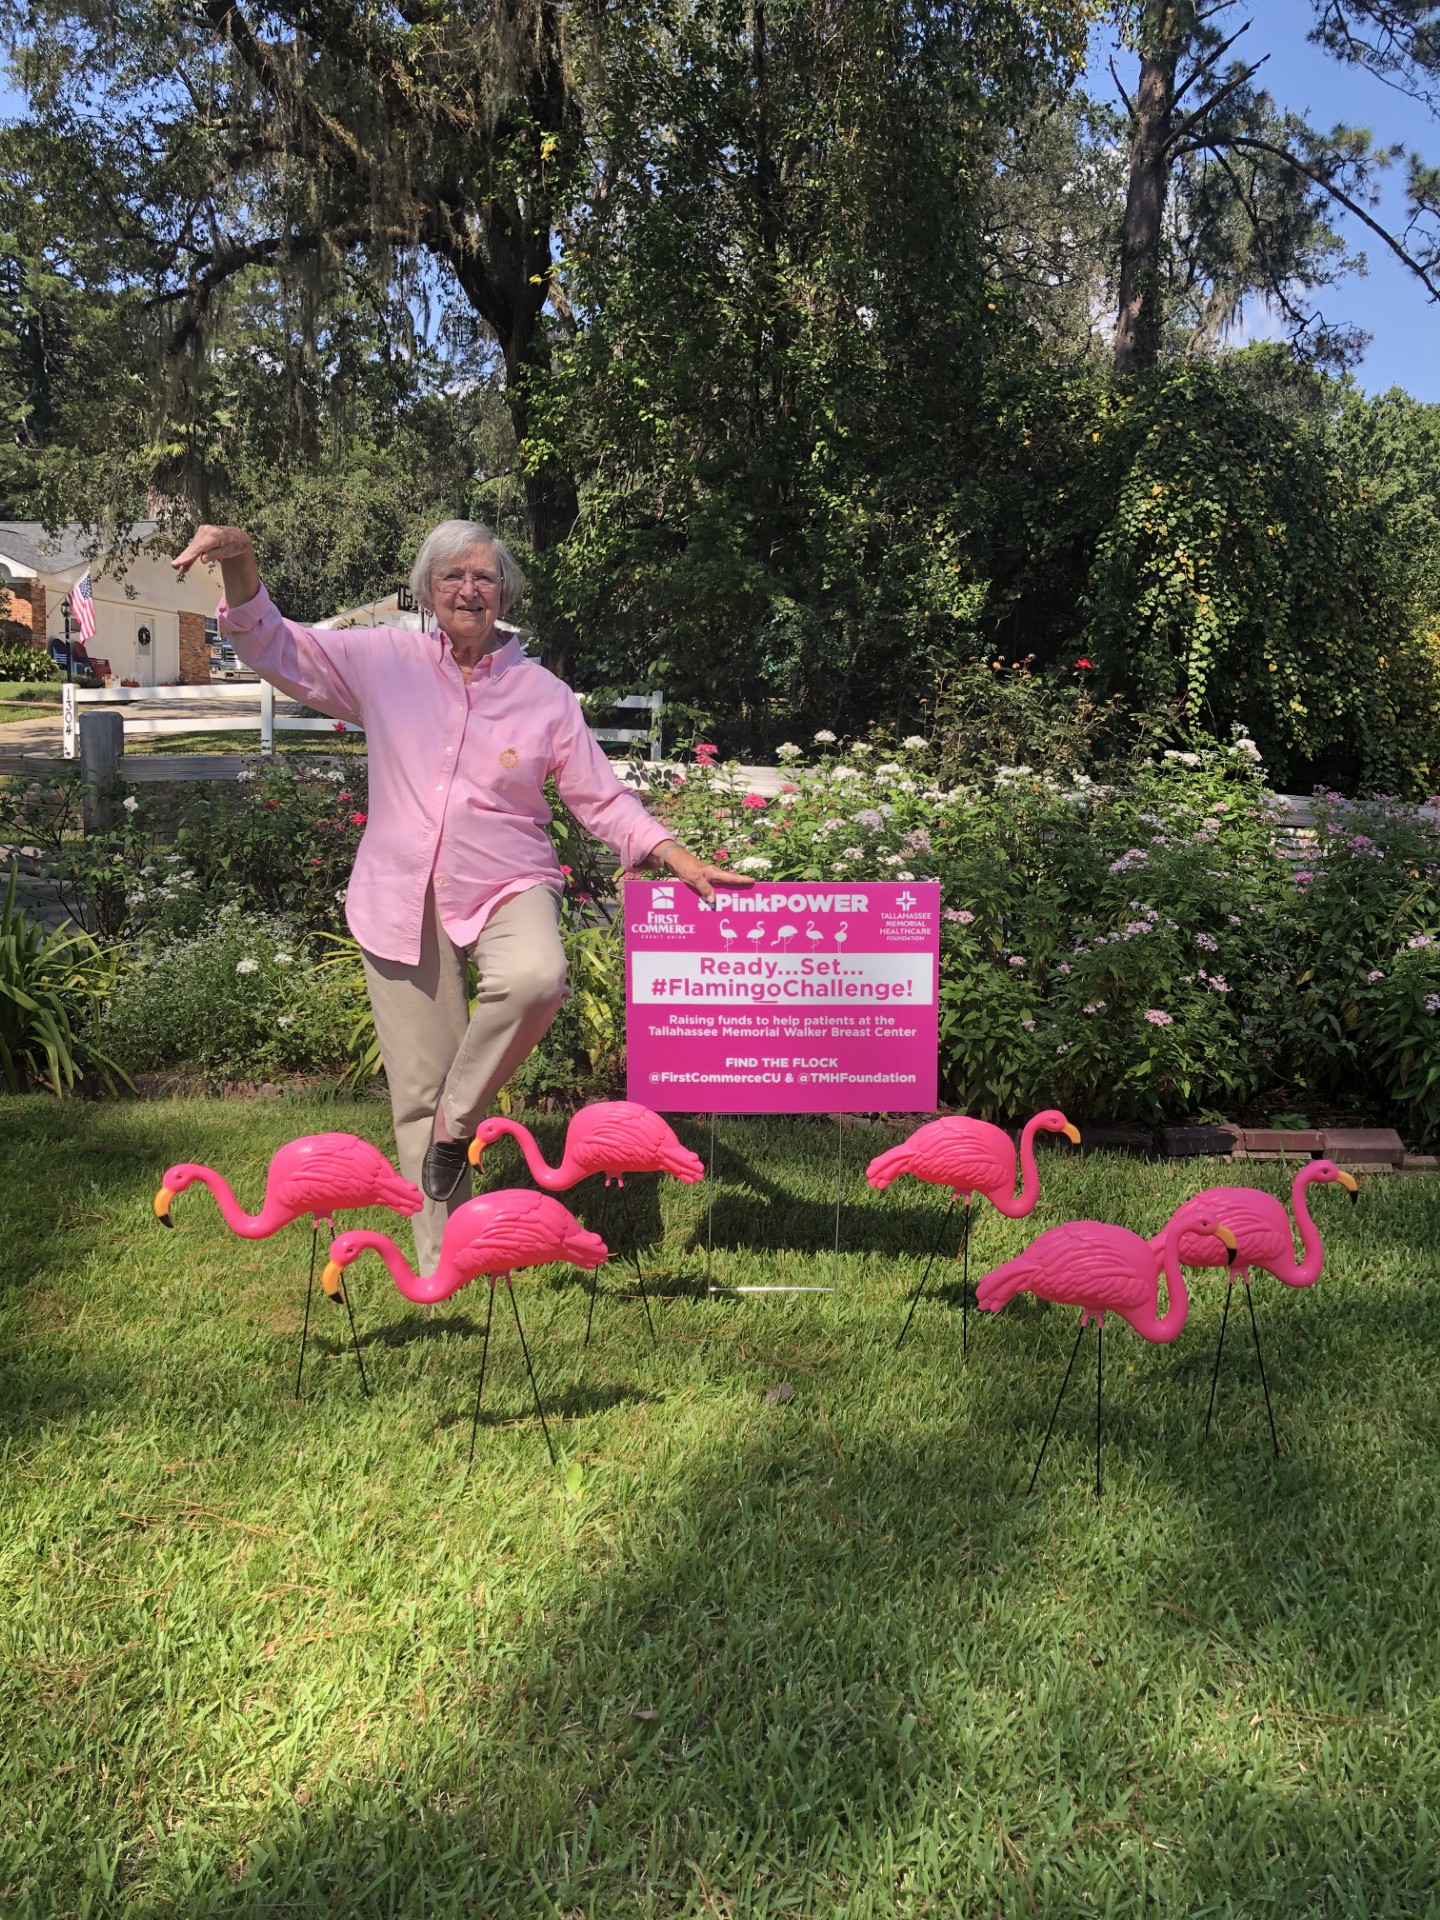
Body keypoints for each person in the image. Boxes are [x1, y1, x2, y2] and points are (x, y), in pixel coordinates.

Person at [171, 520, 745, 1268]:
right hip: (399, 890)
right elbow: (277, 647)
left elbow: (601, 798)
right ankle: (448, 1260)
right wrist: (241, 564)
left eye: (483, 576)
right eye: (452, 577)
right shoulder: (384, 662)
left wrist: (675, 854)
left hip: (511, 878)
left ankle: (458, 1120)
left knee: (537, 977)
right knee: (417, 1085)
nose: (469, 589)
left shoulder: (543, 695)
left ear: (503, 592)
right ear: (427, 591)